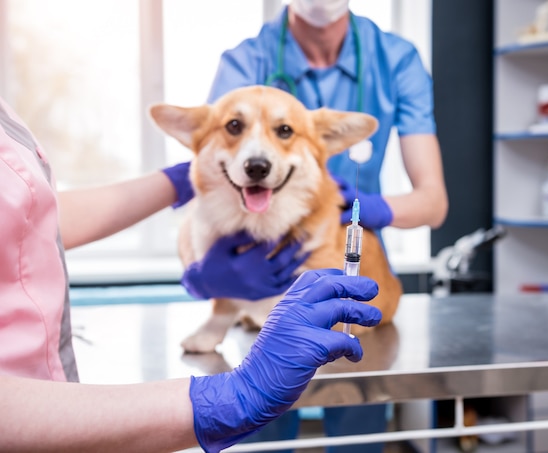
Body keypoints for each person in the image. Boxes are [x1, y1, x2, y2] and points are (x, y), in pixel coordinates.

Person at [0, 95, 383, 452]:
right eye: (234, 128)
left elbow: (34, 213)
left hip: (49, 393)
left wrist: (176, 179)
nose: (257, 156)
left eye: (283, 132)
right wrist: (225, 400)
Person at [205, 0, 449, 451]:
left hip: (355, 262)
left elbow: (433, 203)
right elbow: (212, 168)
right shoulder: (246, 61)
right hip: (264, 269)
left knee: (358, 423)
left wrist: (372, 208)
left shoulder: (394, 59)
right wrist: (210, 266)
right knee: (263, 425)